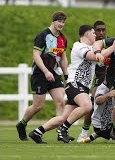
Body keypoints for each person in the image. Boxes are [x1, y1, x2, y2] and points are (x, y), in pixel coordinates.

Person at [28, 24, 115, 143]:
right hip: (75, 84)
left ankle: (37, 132)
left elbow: (100, 54)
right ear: (87, 34)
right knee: (87, 106)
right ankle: (63, 129)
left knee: (63, 118)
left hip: (82, 87)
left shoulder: (90, 47)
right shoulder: (79, 46)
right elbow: (95, 57)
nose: (95, 35)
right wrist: (113, 47)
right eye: (93, 33)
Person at [16, 11, 74, 141]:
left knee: (60, 102)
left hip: (54, 74)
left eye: (63, 22)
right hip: (40, 74)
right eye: (59, 21)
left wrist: (66, 75)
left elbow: (63, 58)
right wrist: (46, 72)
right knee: (38, 106)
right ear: (53, 21)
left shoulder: (62, 38)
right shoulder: (43, 36)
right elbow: (36, 55)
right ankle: (22, 124)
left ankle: (60, 133)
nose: (61, 24)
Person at [76, 20, 115, 143]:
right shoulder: (89, 46)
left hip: (113, 76)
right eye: (98, 30)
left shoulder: (111, 43)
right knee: (92, 103)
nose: (101, 32)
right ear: (93, 32)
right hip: (100, 78)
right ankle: (84, 132)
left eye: (103, 30)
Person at [79, 79, 115, 143]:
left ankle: (97, 134)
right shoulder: (102, 88)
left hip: (109, 123)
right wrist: (108, 95)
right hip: (101, 125)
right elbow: (98, 101)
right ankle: (99, 133)